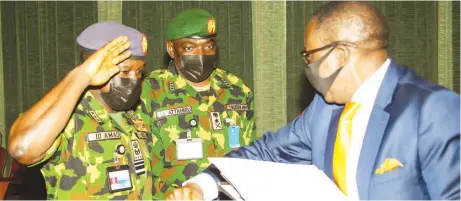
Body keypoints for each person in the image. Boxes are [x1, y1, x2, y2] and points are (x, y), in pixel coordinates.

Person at [166, 2, 460, 200]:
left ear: (340, 56)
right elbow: (265, 152)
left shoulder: (433, 111)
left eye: (310, 56)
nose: (307, 68)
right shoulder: (324, 110)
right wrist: (202, 185)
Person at [8, 21, 159, 200]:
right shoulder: (69, 118)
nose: (134, 80)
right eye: (125, 72)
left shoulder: (134, 119)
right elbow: (22, 149)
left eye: (139, 72)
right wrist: (82, 76)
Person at [137, 8, 257, 199]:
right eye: (189, 47)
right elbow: (139, 167)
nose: (201, 54)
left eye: (208, 46)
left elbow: (250, 156)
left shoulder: (236, 89)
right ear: (171, 49)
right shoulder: (149, 92)